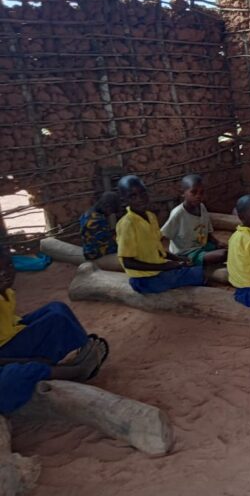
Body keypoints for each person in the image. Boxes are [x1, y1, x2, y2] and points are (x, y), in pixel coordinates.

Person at [0, 248, 108, 413]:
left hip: (11, 338)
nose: (5, 274)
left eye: (8, 266)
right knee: (18, 373)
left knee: (56, 308)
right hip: (5, 353)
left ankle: (83, 348)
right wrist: (27, 359)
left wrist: (31, 324)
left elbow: (10, 322)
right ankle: (77, 371)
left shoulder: (7, 293)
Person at [115, 175, 205, 294]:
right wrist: (165, 267)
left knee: (188, 267)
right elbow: (128, 262)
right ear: (124, 200)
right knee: (199, 273)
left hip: (157, 271)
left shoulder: (150, 217)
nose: (140, 199)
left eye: (143, 193)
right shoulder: (127, 224)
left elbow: (156, 250)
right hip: (145, 280)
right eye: (133, 196)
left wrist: (177, 259)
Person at [161, 174, 227, 266]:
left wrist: (217, 242)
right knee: (222, 255)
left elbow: (207, 232)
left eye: (201, 193)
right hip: (186, 253)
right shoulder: (178, 214)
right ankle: (193, 262)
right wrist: (174, 258)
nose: (198, 196)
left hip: (202, 246)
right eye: (194, 192)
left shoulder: (202, 207)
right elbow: (162, 236)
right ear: (183, 193)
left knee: (228, 249)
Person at [79, 191, 121, 261]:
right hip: (95, 254)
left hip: (90, 250)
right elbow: (108, 244)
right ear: (108, 207)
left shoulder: (88, 213)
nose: (110, 214)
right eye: (111, 211)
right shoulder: (96, 220)